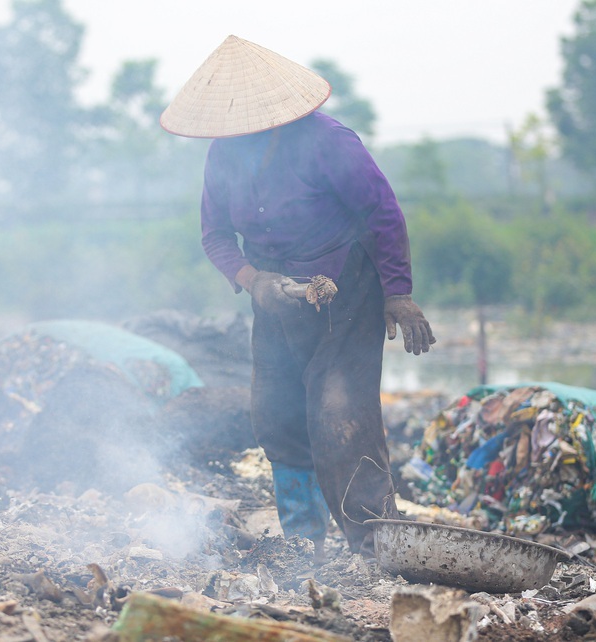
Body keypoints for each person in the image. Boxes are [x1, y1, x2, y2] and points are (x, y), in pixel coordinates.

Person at [159, 35, 435, 559]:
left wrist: (398, 292)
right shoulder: (221, 157)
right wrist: (252, 279)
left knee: (340, 416)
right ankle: (304, 545)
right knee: (277, 414)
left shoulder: (329, 142)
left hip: (347, 292)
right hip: (274, 298)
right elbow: (215, 235)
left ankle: (376, 547)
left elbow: (382, 215)